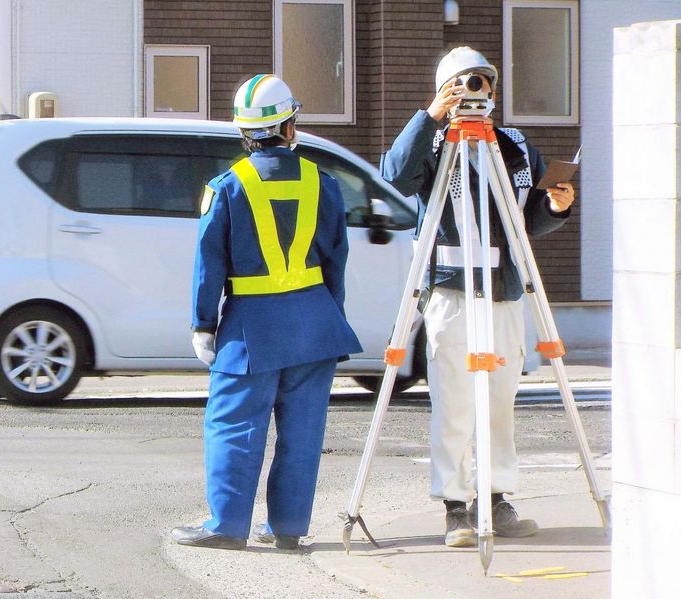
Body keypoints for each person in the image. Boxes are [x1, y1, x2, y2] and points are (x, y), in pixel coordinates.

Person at [380, 47, 575, 548]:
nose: (477, 92)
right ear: (447, 87)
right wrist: (431, 115)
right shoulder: (434, 141)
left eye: (483, 82)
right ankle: (454, 507)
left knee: (499, 400)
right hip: (451, 290)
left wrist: (555, 206)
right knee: (454, 401)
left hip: (504, 292)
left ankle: (496, 498)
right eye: (465, 83)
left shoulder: (513, 145)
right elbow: (395, 174)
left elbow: (524, 220)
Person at [170, 74, 362, 550]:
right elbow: (336, 260)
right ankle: (288, 529)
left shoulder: (228, 187)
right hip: (316, 324)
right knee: (302, 432)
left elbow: (209, 262)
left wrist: (203, 324)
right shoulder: (326, 183)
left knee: (235, 425)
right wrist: (327, 315)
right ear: (290, 125)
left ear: (245, 132)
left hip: (251, 327)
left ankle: (227, 526)